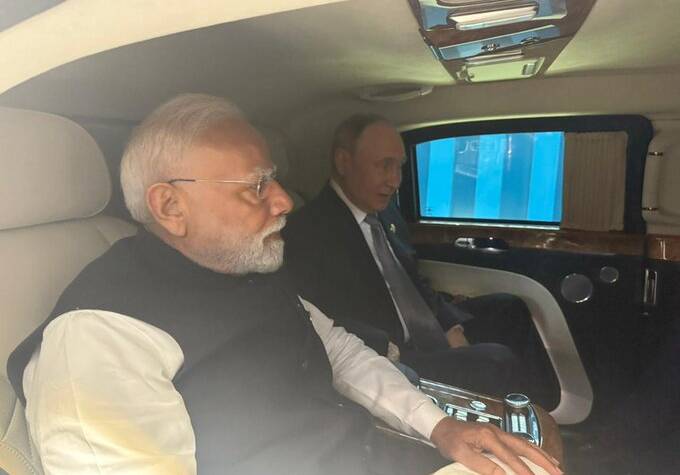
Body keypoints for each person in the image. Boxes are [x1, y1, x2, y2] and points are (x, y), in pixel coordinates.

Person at [6, 94, 560, 475]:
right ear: (170, 206)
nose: (284, 201)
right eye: (257, 186)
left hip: (373, 453)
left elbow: (337, 348)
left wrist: (439, 428)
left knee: (534, 449)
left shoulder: (241, 266)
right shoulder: (97, 337)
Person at [283, 114, 552, 400]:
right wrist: (395, 350)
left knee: (510, 308)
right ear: (343, 162)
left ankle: (542, 408)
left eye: (399, 166)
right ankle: (524, 421)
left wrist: (449, 324)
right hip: (391, 354)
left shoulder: (386, 212)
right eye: (384, 165)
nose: (395, 180)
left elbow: (411, 278)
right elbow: (321, 319)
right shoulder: (306, 232)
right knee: (496, 362)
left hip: (424, 328)